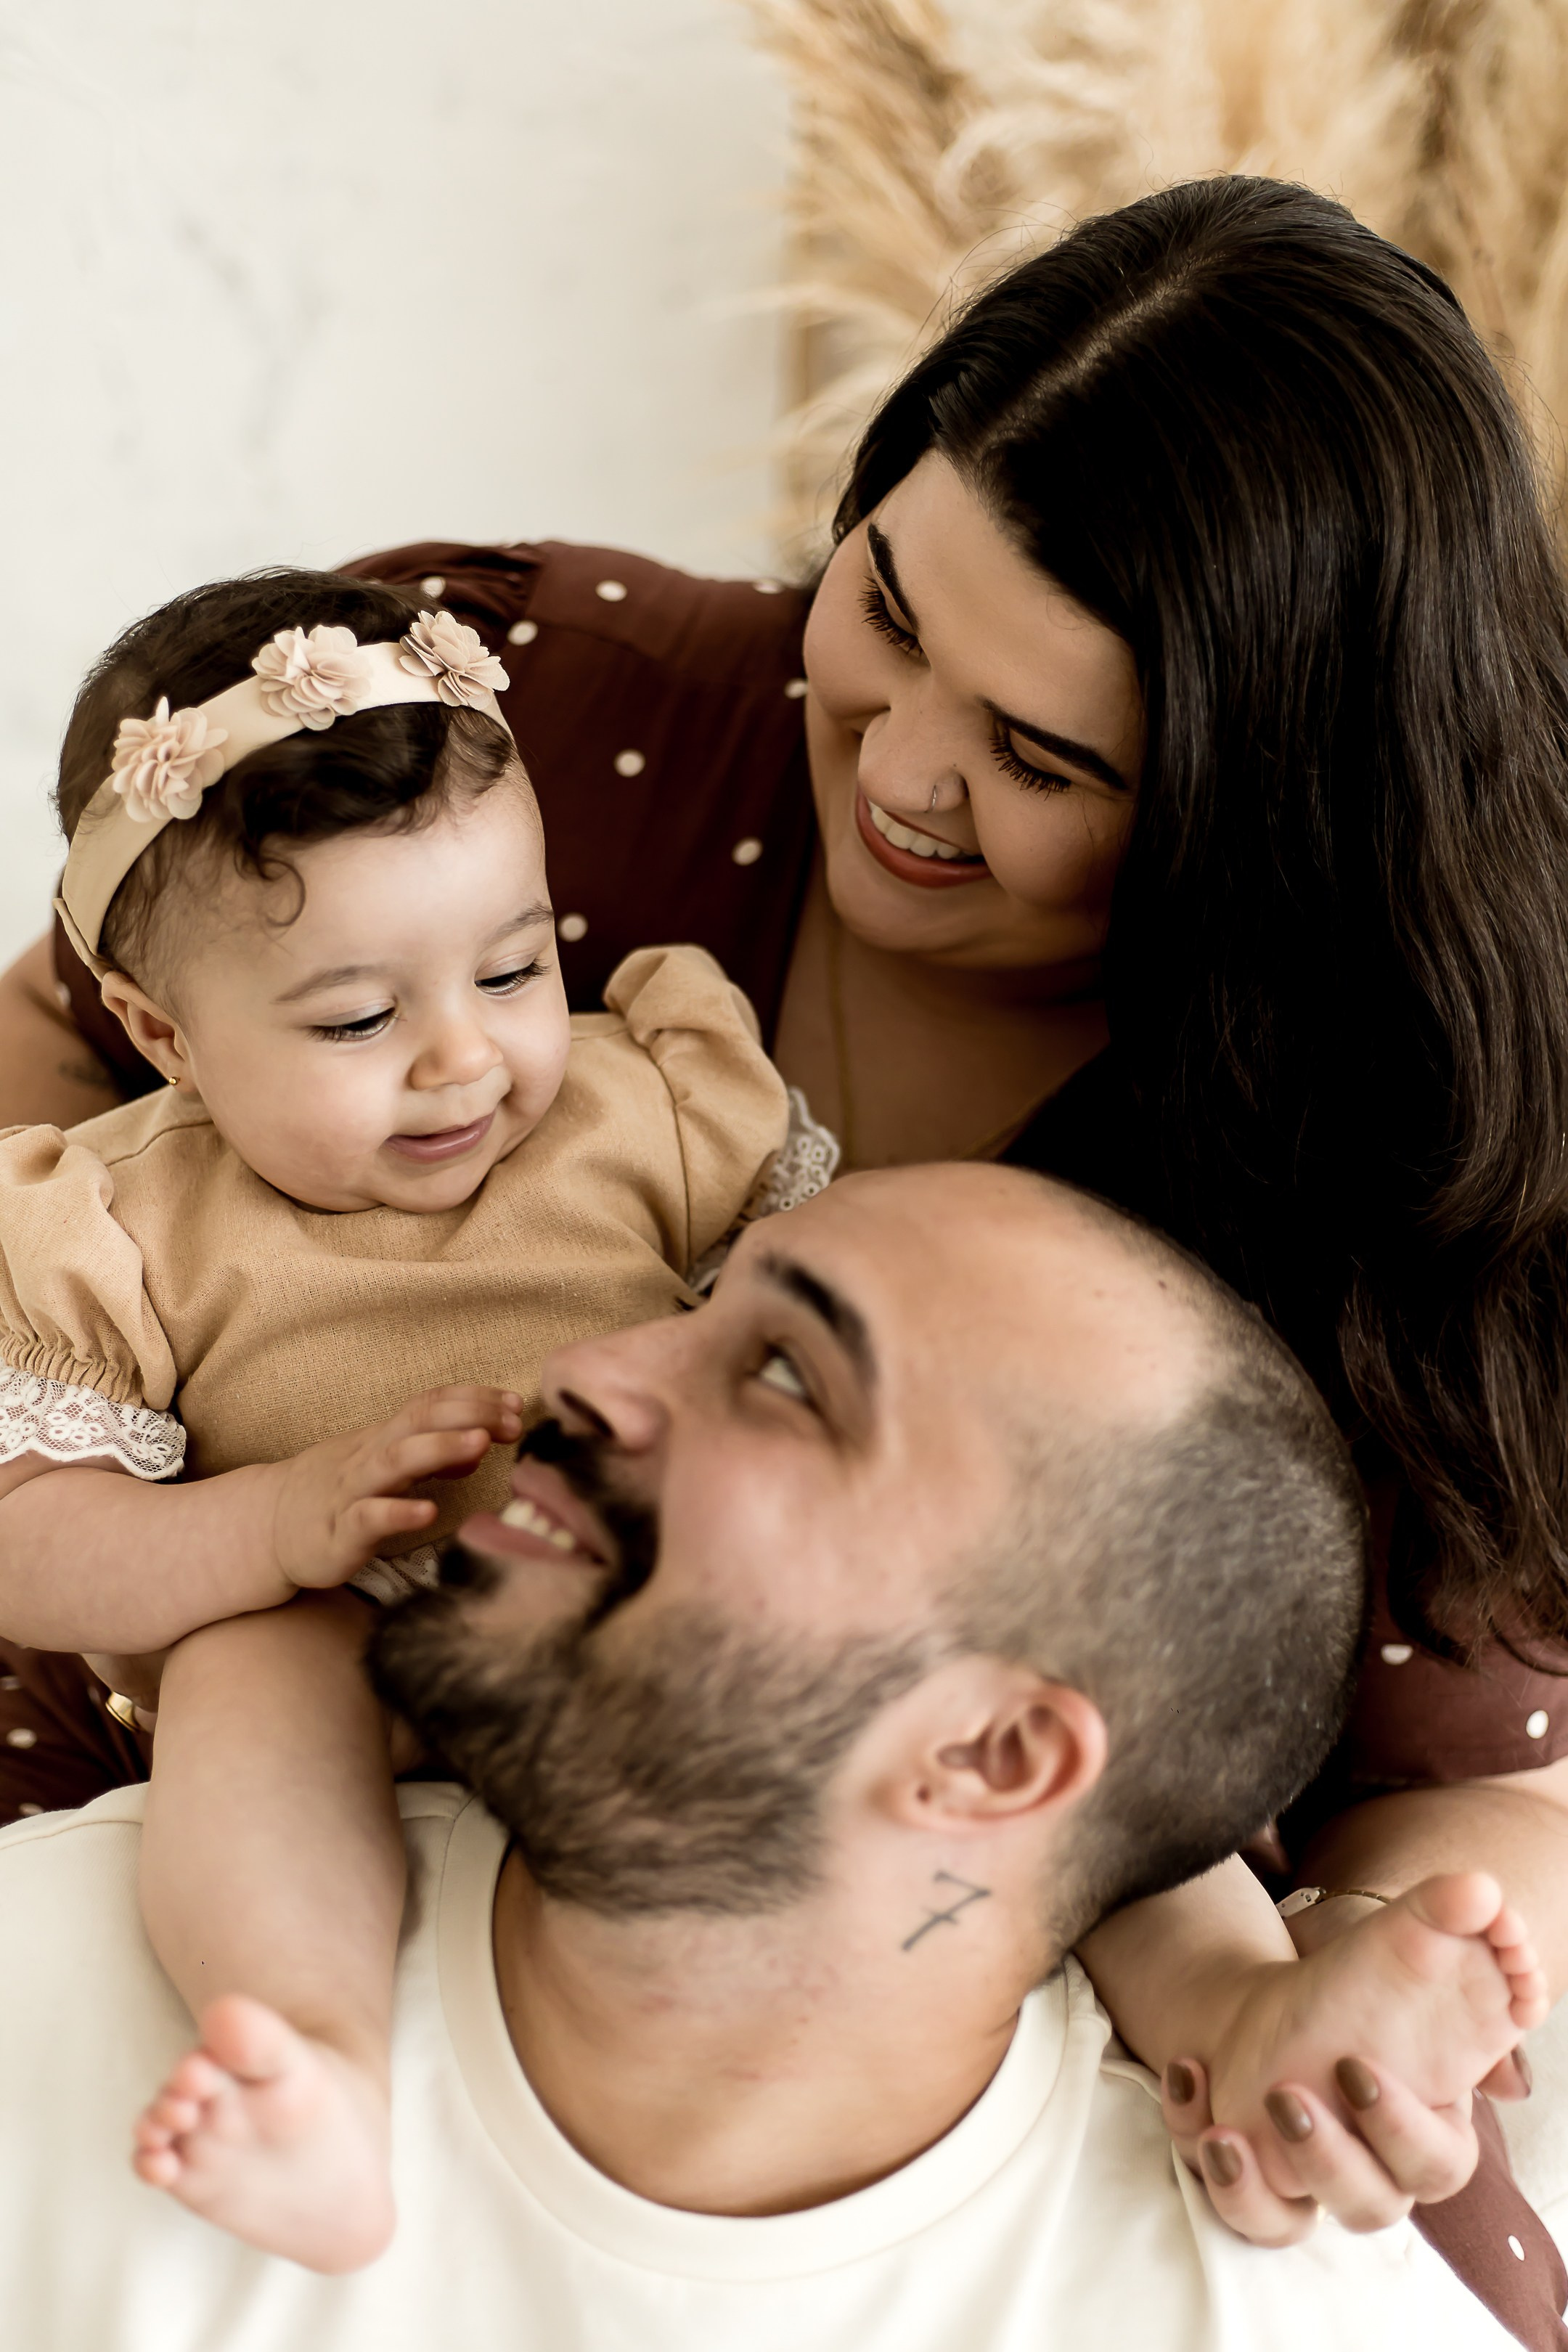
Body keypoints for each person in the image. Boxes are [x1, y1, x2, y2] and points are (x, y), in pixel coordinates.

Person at [4, 173, 1568, 2298]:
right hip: (224, 1726)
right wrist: (137, 1352)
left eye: (1041, 756)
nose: (904, 772)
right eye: (893, 612)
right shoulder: (515, 711)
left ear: (1272, 804)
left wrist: (1374, 1988)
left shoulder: (1422, 1148)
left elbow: (1465, 1786)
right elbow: (82, 1020)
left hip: (872, 1970)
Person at [0, 1166, 1535, 2350]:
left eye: (791, 1375)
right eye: (700, 1301)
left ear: (994, 1757)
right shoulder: (49, 1999)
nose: (588, 1364)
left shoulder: (1270, 2317)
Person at [0, 567, 804, 2272]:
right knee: (245, 1667)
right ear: (164, 1037)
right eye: (361, 1018)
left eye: (516, 968)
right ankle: (314, 2067)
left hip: (644, 1601)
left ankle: (1209, 1971)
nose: (466, 1061)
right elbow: (31, 1551)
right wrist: (270, 1524)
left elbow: (825, 1324)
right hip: (342, 1659)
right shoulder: (116, 1220)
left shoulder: (649, 1102)